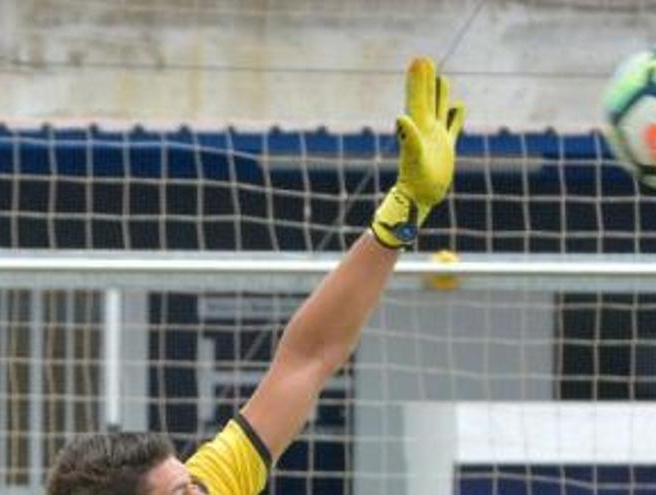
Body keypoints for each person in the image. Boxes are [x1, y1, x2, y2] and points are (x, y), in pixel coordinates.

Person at [45, 55, 466, 495]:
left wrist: (402, 213)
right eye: (183, 494)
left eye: (194, 486)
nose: (202, 492)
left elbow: (310, 354)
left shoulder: (216, 483)